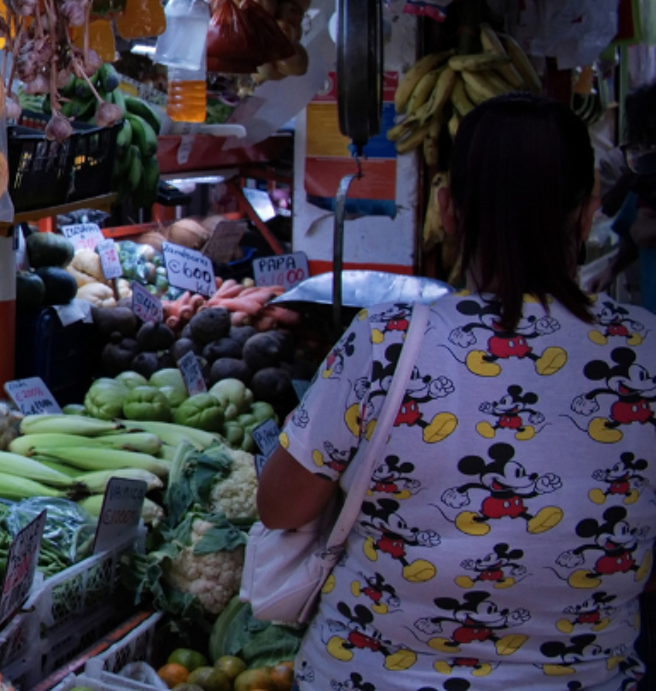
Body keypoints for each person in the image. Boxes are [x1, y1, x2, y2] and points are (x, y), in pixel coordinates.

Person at [258, 94, 656, 691]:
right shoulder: (646, 352)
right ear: (588, 212)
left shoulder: (388, 342)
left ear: (447, 210)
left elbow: (280, 507)